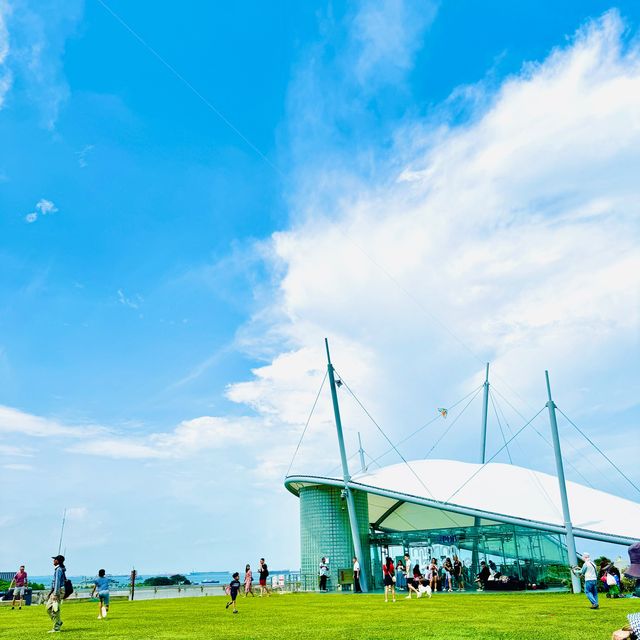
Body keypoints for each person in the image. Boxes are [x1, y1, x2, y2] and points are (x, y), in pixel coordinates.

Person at [46, 554, 66, 633]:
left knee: (55, 609)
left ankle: (57, 627)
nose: (53, 560)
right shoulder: (59, 569)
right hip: (57, 590)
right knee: (48, 608)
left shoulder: (58, 570)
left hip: (58, 591)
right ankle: (59, 622)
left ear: (57, 561)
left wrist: (55, 594)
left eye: (54, 559)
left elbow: (57, 582)